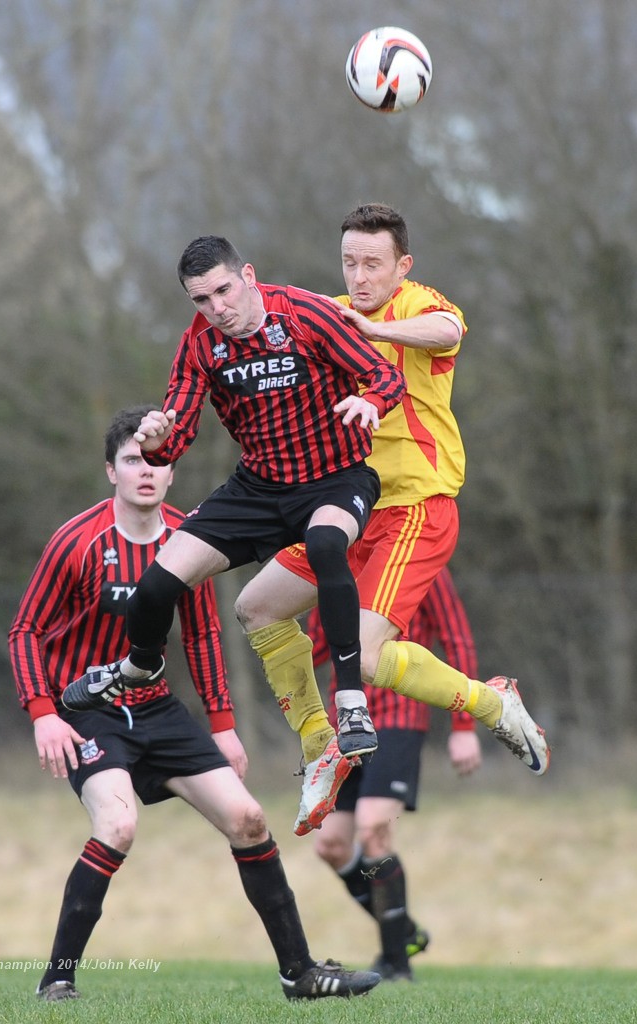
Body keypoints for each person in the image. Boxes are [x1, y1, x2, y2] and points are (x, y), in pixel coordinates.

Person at [8, 405, 381, 1002]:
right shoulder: (76, 542)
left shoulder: (191, 539)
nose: (146, 471)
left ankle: (300, 974)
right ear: (111, 472)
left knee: (250, 820)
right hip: (88, 711)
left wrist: (224, 726)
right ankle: (58, 981)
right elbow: (24, 630)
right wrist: (43, 713)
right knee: (119, 823)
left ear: (172, 472)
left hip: (157, 708)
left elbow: (204, 634)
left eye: (157, 460)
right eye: (132, 460)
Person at [61, 235, 408, 835]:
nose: (218, 307)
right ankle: (141, 665)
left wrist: (369, 404)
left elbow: (383, 377)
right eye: (202, 299)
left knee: (327, 546)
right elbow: (175, 436)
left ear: (247, 276)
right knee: (156, 584)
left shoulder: (306, 314)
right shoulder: (200, 346)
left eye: (224, 290)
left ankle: (351, 706)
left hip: (335, 478)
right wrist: (153, 436)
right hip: (258, 490)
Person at [234, 202, 550, 836]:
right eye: (349, 262)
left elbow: (449, 333)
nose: (360, 276)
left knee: (370, 661)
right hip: (347, 507)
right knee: (257, 606)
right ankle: (319, 744)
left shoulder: (412, 307)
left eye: (373, 263)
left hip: (417, 506)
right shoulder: (327, 313)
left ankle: (495, 704)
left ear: (401, 265)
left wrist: (371, 333)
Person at [306, 566, 482, 981]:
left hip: (399, 717)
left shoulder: (422, 562)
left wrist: (464, 726)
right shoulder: (334, 564)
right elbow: (314, 647)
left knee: (373, 829)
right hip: (346, 725)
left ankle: (396, 964)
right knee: (331, 845)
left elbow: (457, 640)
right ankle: (402, 931)